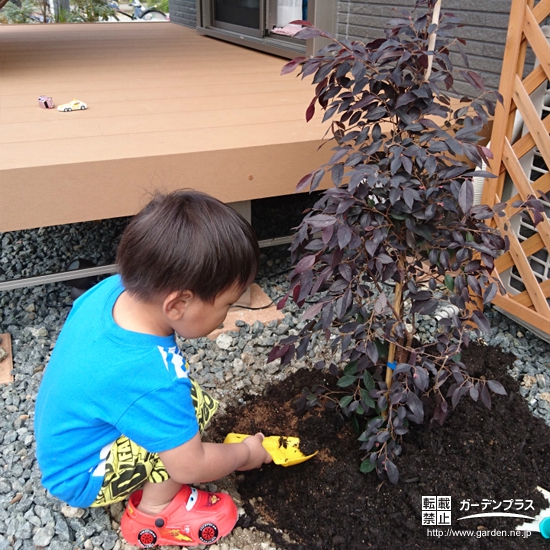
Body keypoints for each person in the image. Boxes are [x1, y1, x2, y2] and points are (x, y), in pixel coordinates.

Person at [34, 190, 272, 547]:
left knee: (185, 407)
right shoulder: (153, 377)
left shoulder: (111, 291)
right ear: (177, 304)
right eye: (225, 305)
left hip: (66, 441)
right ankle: (156, 510)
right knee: (185, 420)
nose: (225, 317)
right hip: (82, 475)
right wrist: (246, 453)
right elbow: (189, 466)